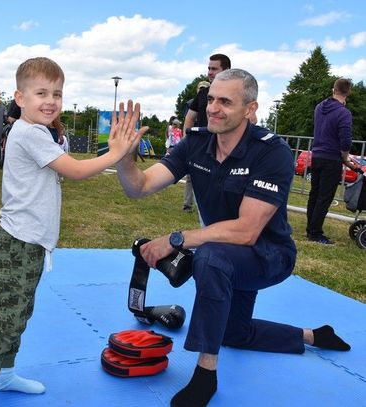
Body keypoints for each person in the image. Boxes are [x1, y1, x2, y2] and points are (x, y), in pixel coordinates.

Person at [115, 69, 351, 407]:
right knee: (232, 332)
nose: (213, 108)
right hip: (226, 254)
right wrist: (124, 157)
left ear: (250, 108)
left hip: (268, 255)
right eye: (211, 99)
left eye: (225, 101)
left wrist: (177, 238)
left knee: (209, 257)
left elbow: (247, 230)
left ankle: (204, 376)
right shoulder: (196, 142)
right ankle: (313, 335)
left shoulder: (272, 152)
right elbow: (138, 187)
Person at [0, 57, 142, 407]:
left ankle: (4, 375)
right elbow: (75, 171)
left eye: (57, 94)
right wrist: (117, 152)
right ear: (19, 97)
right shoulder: (30, 133)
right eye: (41, 93)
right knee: (7, 318)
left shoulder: (37, 131)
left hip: (29, 242)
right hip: (18, 242)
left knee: (19, 315)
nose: (50, 100)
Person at [306, 78, 359, 244]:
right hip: (332, 158)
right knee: (325, 197)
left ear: (333, 89)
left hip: (317, 155)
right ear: (348, 92)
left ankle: (311, 228)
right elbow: (345, 140)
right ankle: (315, 233)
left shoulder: (319, 107)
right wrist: (346, 158)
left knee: (314, 194)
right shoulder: (344, 113)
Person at [184, 54, 231, 130]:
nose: (209, 72)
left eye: (214, 69)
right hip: (203, 140)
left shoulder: (237, 93)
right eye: (209, 69)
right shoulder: (202, 93)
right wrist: (186, 140)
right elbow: (190, 118)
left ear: (226, 70)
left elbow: (251, 119)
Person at [182, 81, 210, 213]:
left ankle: (204, 206)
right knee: (190, 177)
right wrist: (186, 141)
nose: (202, 91)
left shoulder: (214, 102)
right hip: (195, 141)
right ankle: (187, 205)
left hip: (209, 141)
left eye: (205, 88)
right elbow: (188, 120)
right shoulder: (190, 104)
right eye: (200, 88)